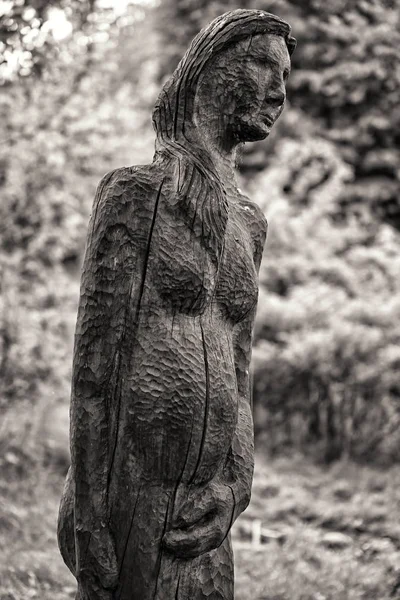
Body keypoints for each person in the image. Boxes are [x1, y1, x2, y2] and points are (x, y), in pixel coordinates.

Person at [58, 9, 295, 600]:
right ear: (209, 72)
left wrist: (236, 484)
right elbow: (93, 374)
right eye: (264, 66)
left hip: (205, 509)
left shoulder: (249, 223)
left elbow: (239, 373)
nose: (280, 90)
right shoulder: (135, 195)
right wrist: (91, 522)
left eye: (284, 75)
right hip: (128, 496)